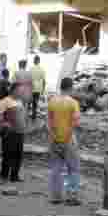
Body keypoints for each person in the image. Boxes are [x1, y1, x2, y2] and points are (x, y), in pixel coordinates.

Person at [47, 77, 82, 206]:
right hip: (68, 139)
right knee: (73, 168)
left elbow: (49, 122)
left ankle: (55, 196)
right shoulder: (73, 103)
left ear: (61, 87)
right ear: (70, 88)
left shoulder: (52, 101)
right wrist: (68, 136)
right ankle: (71, 196)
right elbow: (76, 122)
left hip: (55, 139)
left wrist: (53, 136)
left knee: (56, 168)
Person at [0, 82, 27, 185]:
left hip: (20, 133)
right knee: (8, 155)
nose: (21, 92)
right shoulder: (5, 101)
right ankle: (3, 177)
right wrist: (3, 123)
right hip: (10, 133)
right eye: (20, 90)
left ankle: (14, 176)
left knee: (18, 155)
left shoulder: (20, 101)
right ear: (13, 90)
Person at [30, 55, 47, 121]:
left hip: (31, 88)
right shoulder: (42, 69)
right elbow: (44, 81)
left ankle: (27, 115)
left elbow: (29, 79)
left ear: (34, 61)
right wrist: (43, 90)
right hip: (38, 89)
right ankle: (33, 116)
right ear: (39, 61)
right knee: (35, 103)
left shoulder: (31, 69)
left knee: (29, 102)